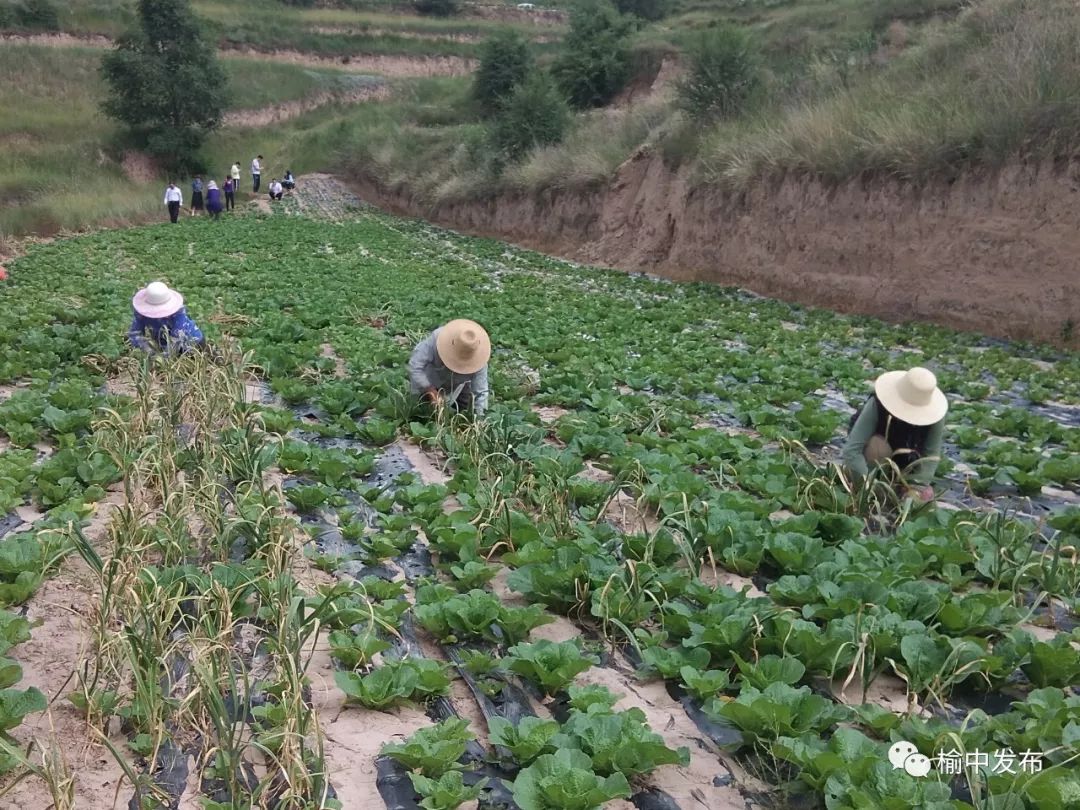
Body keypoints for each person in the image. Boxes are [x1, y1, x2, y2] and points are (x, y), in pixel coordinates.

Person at [842, 367, 947, 502]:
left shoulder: (935, 416)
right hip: (874, 461)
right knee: (877, 446)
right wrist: (868, 485)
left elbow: (931, 456)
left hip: (907, 462)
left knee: (921, 498)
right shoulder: (877, 404)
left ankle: (898, 488)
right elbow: (852, 450)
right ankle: (877, 484)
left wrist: (916, 486)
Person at [409, 320, 491, 416]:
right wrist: (430, 390)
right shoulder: (437, 338)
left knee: (465, 410)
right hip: (429, 379)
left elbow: (481, 392)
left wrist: (480, 419)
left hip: (460, 384)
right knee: (420, 411)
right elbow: (415, 366)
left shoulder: (479, 358)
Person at [128, 282, 205, 354]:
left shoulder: (178, 312)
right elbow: (135, 333)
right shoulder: (141, 313)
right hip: (162, 343)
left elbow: (176, 339)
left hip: (190, 343)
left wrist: (162, 359)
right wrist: (147, 349)